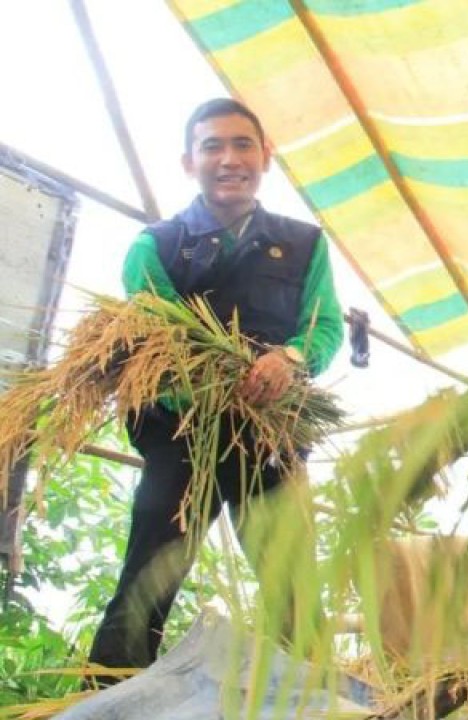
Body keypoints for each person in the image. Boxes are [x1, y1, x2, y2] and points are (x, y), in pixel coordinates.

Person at [85, 98, 344, 682]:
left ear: (265, 156)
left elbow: (323, 326)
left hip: (270, 438)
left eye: (242, 145)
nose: (229, 159)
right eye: (212, 147)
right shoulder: (156, 246)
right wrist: (220, 385)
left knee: (294, 587)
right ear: (188, 162)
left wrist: (290, 359)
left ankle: (321, 701)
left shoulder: (305, 243)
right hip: (181, 434)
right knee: (147, 581)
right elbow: (165, 338)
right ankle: (101, 699)